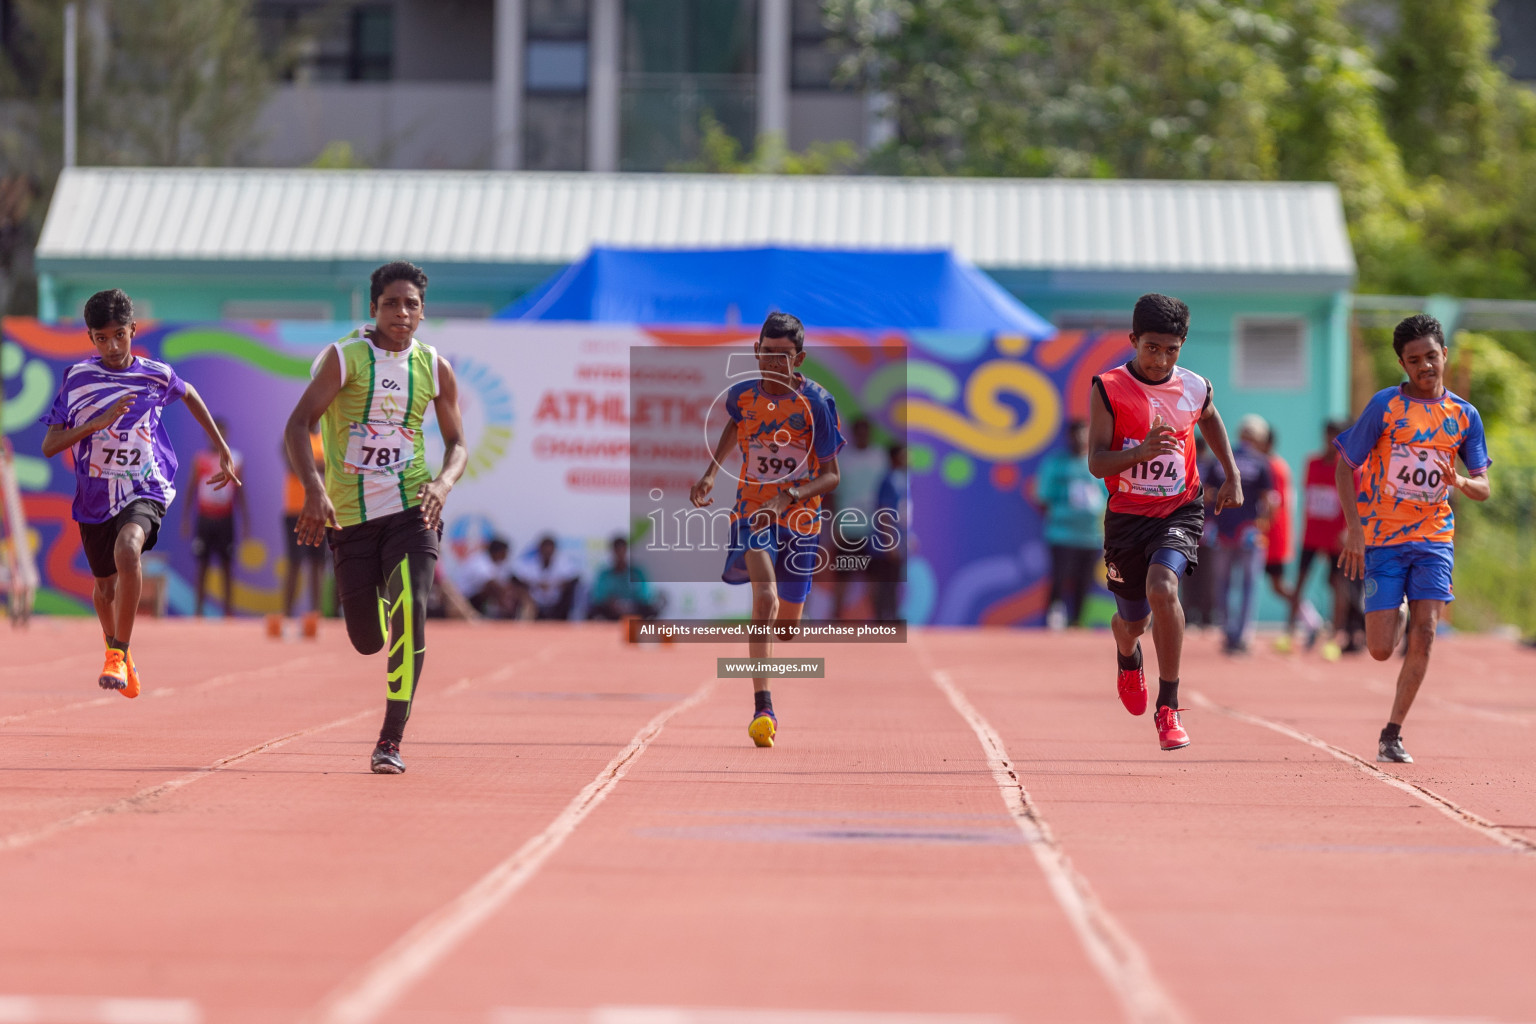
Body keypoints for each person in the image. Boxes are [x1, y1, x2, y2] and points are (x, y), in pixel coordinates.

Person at [283, 261, 468, 775]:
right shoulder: (347, 360)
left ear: (423, 311)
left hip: (413, 509)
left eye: (411, 304)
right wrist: (315, 492)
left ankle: (390, 740)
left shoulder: (435, 368)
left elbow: (457, 444)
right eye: (391, 303)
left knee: (412, 611)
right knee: (367, 640)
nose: (402, 313)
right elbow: (298, 425)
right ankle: (379, 594)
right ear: (374, 309)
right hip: (350, 520)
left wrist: (443, 483)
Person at [40, 288, 241, 696]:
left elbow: (192, 395)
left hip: (144, 486)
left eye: (119, 335)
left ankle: (119, 650)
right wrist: (94, 424)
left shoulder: (156, 375)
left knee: (129, 549)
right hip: (96, 497)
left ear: (133, 329)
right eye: (101, 338)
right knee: (105, 588)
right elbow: (50, 445)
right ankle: (118, 650)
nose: (112, 346)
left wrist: (220, 447)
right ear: (90, 337)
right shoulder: (78, 380)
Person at [1087, 293, 1241, 752]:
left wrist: (1231, 473)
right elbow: (1097, 462)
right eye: (1152, 348)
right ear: (1134, 340)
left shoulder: (1195, 387)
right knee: (1132, 622)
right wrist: (1139, 453)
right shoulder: (1109, 387)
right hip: (1126, 519)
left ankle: (1168, 706)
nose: (1161, 359)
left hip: (1178, 509)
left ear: (1183, 346)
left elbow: (1210, 421)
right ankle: (1126, 652)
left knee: (1163, 589)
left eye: (1171, 350)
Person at [1334, 314, 1490, 764]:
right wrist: (1355, 528)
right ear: (1402, 364)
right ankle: (1395, 607)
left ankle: (1393, 732)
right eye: (1414, 360)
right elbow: (1346, 463)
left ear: (1445, 355)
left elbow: (1483, 487)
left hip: (1434, 538)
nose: (1425, 367)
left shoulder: (1464, 416)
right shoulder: (1385, 406)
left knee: (1425, 634)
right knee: (1381, 649)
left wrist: (1458, 481)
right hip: (1382, 538)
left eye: (1432, 357)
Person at [691, 311, 844, 748]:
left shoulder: (817, 403)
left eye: (783, 357)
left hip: (801, 519)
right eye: (767, 354)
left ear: (800, 359)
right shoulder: (741, 395)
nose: (773, 364)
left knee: (787, 627)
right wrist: (710, 474)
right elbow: (735, 424)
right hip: (753, 510)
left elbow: (832, 476)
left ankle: (783, 630)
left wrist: (790, 496)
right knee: (765, 599)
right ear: (756, 352)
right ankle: (764, 708)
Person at [1204, 414, 1274, 655]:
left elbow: (1206, 493)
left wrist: (1210, 522)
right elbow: (1270, 501)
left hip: (1223, 530)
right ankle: (1243, 635)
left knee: (1222, 584)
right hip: (1249, 532)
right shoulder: (1262, 462)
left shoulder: (1221, 459)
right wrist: (1263, 526)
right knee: (1249, 585)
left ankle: (1227, 631)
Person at [1032, 419, 1105, 627]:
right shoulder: (1055, 463)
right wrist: (1061, 515)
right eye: (1075, 434)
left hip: (1091, 536)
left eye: (1083, 434)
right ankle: (1053, 620)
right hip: (1062, 534)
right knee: (1060, 577)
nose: (1079, 439)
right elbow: (1041, 496)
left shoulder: (1098, 463)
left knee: (1085, 582)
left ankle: (1076, 623)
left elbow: (1109, 496)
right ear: (1068, 437)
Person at [1290, 421, 1352, 659]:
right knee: (1300, 581)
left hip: (1335, 537)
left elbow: (1353, 501)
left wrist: (1347, 530)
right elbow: (1311, 495)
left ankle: (1336, 637)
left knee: (1338, 586)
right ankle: (1290, 631)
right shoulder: (1312, 462)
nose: (1331, 442)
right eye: (1329, 436)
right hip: (1312, 534)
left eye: (1337, 437)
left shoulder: (1347, 467)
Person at [185, 417, 246, 618]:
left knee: (227, 565)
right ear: (207, 435)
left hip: (225, 519)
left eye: (221, 434)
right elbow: (191, 488)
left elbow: (241, 491)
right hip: (205, 518)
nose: (217, 438)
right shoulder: (200, 458)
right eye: (214, 434)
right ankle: (198, 611)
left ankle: (228, 611)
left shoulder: (235, 459)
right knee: (202, 565)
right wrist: (185, 518)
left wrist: (245, 520)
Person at [827, 416, 886, 618]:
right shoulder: (843, 460)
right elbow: (833, 496)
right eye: (858, 432)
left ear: (870, 434)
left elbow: (887, 493)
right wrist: (836, 526)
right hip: (848, 528)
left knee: (874, 578)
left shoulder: (880, 458)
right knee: (843, 577)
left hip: (874, 530)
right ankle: (835, 619)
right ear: (853, 434)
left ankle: (878, 621)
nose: (862, 436)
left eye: (866, 432)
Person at [279, 425, 329, 634]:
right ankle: (287, 616)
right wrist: (317, 465)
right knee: (295, 562)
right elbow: (292, 463)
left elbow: (333, 466)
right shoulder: (295, 433)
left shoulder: (326, 439)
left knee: (317, 563)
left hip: (319, 510)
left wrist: (307, 462)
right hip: (295, 509)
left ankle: (315, 615)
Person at [870, 442, 909, 623]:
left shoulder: (902, 479)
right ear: (894, 458)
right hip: (885, 543)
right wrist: (890, 542)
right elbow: (884, 514)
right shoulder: (888, 480)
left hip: (898, 539)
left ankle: (891, 614)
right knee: (885, 581)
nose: (907, 459)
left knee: (894, 581)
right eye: (903, 455)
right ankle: (882, 617)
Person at [588, 536, 663, 620]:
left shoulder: (638, 573)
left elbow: (646, 595)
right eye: (617, 551)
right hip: (611, 611)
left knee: (652, 609)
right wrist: (612, 603)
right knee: (593, 611)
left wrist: (630, 604)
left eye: (623, 551)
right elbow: (598, 596)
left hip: (635, 609)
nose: (620, 555)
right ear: (612, 552)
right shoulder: (605, 574)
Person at [511, 535, 582, 620]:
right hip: (534, 601)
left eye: (549, 551)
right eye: (545, 550)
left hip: (557, 601)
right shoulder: (529, 562)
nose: (547, 553)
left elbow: (574, 577)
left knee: (574, 590)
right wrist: (535, 584)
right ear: (540, 549)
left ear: (554, 550)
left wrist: (557, 584)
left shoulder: (563, 562)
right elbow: (516, 577)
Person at [458, 536, 519, 617]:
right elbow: (491, 584)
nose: (506, 556)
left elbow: (509, 582)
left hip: (478, 597)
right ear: (497, 552)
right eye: (505, 553)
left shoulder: (499, 564)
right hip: (465, 598)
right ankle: (480, 615)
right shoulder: (479, 562)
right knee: (493, 589)